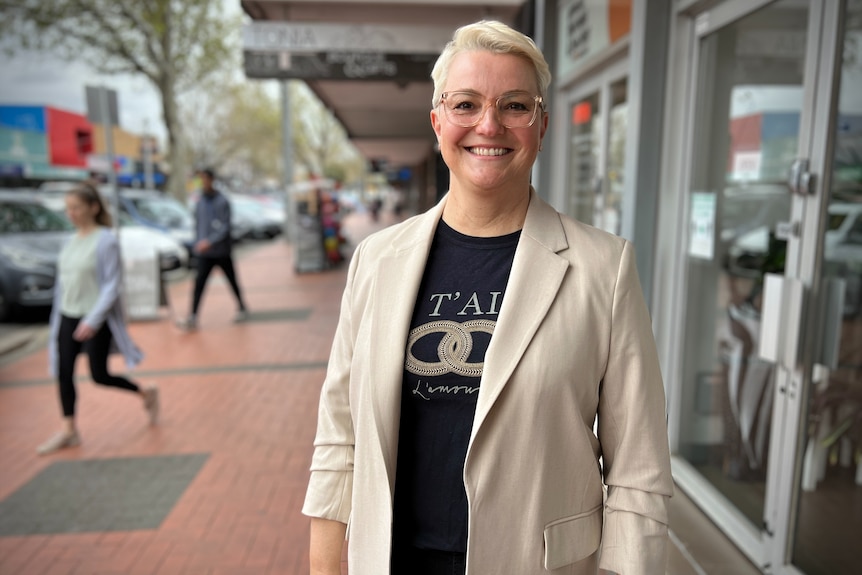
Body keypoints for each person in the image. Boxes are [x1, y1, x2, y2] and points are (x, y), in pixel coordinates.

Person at [303, 20, 674, 575]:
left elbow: (637, 469)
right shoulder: (377, 260)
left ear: (542, 125)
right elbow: (339, 436)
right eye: (466, 104)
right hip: (394, 559)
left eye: (516, 106)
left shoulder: (604, 267)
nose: (489, 124)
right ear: (437, 121)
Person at [39, 183, 158, 455]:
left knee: (99, 375)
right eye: (68, 208)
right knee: (63, 372)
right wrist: (58, 318)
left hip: (96, 318)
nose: (72, 213)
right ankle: (69, 430)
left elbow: (112, 285)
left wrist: (93, 320)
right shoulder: (68, 241)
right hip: (68, 315)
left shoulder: (106, 240)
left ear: (93, 208)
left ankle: (145, 392)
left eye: (77, 208)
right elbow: (64, 283)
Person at [178, 168, 248, 330]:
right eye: (200, 180)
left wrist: (210, 241)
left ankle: (242, 306)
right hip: (204, 253)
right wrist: (198, 242)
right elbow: (198, 224)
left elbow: (225, 226)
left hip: (221, 251)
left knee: (231, 279)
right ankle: (193, 316)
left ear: (211, 180)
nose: (202, 183)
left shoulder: (222, 201)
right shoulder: (200, 201)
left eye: (204, 179)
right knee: (199, 284)